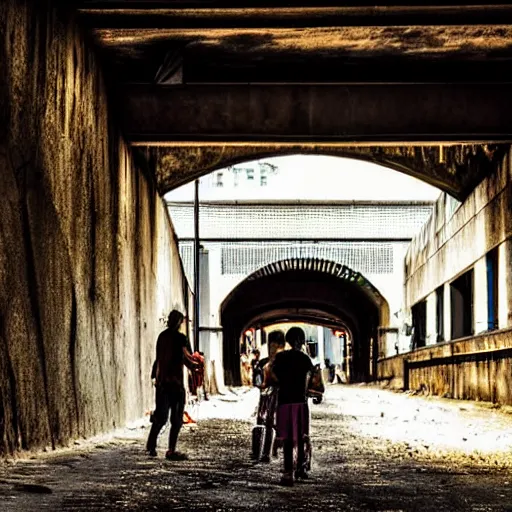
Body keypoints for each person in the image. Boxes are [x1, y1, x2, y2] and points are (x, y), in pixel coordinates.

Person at [146, 310, 202, 460]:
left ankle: (151, 445)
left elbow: (158, 358)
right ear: (179, 322)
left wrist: (154, 376)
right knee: (176, 419)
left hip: (162, 383)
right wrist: (196, 367)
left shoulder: (162, 336)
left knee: (161, 416)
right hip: (175, 383)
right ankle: (171, 449)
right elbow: (185, 357)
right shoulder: (181, 338)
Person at [271, 327, 314, 486]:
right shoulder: (305, 359)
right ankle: (301, 468)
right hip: (300, 402)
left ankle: (288, 472)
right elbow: (313, 380)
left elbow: (272, 376)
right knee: (302, 436)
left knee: (288, 439)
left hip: (284, 402)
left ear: (288, 341)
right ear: (302, 341)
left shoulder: (280, 357)